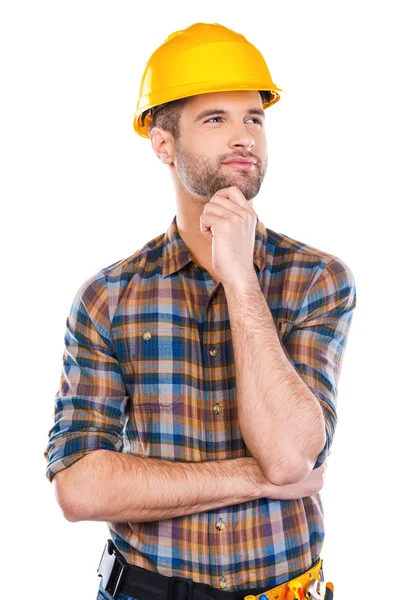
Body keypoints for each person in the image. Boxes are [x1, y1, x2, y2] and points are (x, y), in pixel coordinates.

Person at [44, 22, 355, 600]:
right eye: (216, 119)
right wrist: (250, 477)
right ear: (163, 143)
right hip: (144, 589)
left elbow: (290, 456)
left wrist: (240, 279)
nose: (244, 137)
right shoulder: (108, 298)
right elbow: (79, 489)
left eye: (254, 118)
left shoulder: (318, 280)